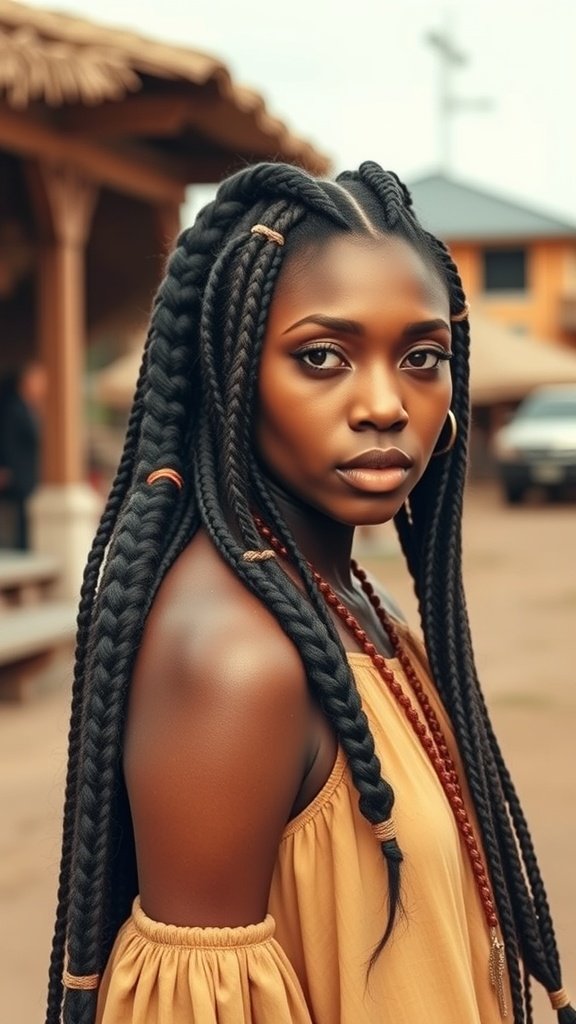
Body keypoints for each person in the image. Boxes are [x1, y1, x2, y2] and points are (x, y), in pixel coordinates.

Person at [46, 161, 575, 1024]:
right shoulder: (238, 659)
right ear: (232, 374)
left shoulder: (362, 607)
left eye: (422, 357)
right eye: (322, 356)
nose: (383, 404)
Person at [0, 361, 46, 550]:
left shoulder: (30, 408)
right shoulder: (13, 408)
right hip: (16, 477)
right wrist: (5, 468)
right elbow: (6, 440)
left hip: (28, 477)